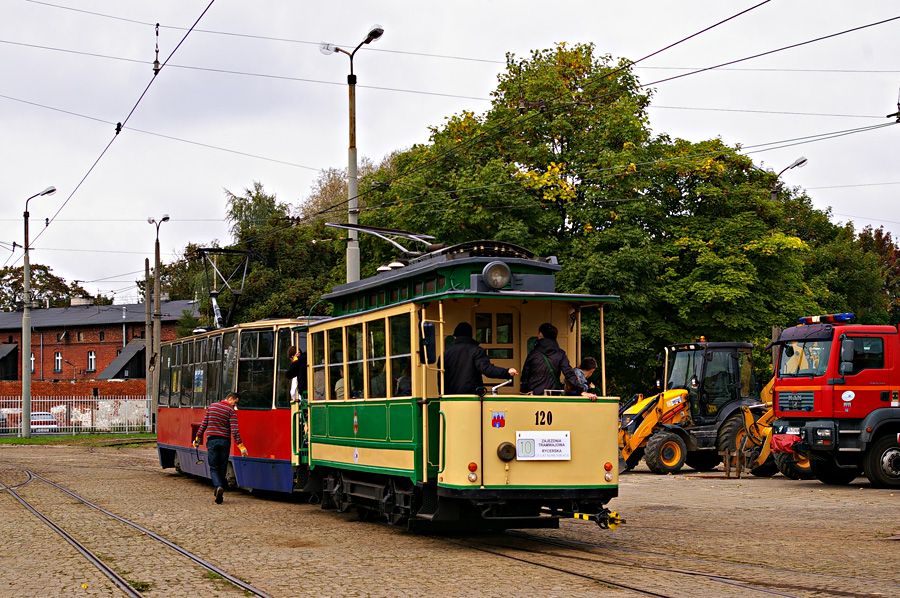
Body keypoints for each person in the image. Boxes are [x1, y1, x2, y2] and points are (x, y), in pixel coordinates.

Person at [193, 391, 247, 504]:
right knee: (222, 467)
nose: (234, 406)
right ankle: (219, 493)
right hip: (224, 442)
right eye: (235, 403)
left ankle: (218, 489)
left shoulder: (212, 407)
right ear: (230, 398)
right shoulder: (230, 411)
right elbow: (235, 430)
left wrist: (197, 438)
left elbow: (204, 424)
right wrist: (241, 446)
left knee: (213, 467)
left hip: (212, 441)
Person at [521, 323, 597, 400]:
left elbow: (525, 375)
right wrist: (582, 391)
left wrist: (523, 391)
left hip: (534, 394)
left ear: (540, 335)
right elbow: (569, 373)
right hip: (553, 394)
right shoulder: (561, 354)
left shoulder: (533, 354)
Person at [442, 322, 517, 395]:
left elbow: (441, 379)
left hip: (450, 399)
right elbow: (487, 370)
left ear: (455, 337)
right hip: (473, 398)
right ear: (470, 335)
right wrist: (506, 372)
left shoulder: (445, 355)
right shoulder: (477, 351)